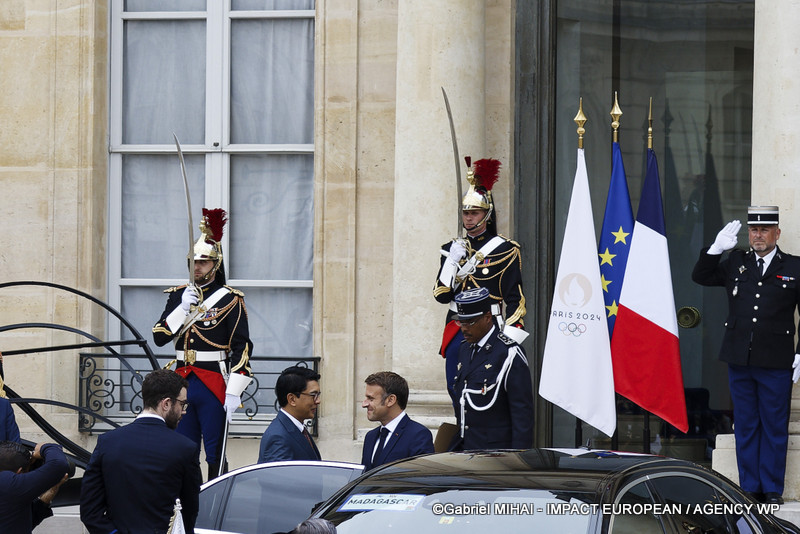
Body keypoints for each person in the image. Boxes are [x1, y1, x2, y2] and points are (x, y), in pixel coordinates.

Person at [692, 206, 800, 505]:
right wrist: (714, 249)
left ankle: (772, 489)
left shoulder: (794, 267)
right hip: (740, 358)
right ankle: (750, 486)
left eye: (764, 230)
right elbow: (700, 276)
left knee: (775, 426)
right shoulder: (735, 262)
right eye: (754, 230)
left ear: (777, 233)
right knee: (747, 424)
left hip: (777, 360)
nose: (758, 235)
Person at [153, 208, 253, 479]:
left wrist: (234, 390)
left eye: (203, 262)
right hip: (180, 382)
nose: (196, 267)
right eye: (193, 261)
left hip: (213, 383)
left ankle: (214, 504)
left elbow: (241, 346)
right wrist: (183, 308)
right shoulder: (178, 296)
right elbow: (160, 336)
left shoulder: (230, 299)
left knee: (214, 452)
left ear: (215, 265)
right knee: (182, 450)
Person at [433, 157, 527, 406]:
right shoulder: (450, 249)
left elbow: (515, 299)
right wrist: (452, 262)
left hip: (491, 326)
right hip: (457, 328)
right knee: (456, 386)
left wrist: (511, 336)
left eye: (474, 213)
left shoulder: (505, 250)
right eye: (465, 213)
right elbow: (441, 295)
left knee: (490, 389)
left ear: (487, 214)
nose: (468, 219)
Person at [80, 369, 203, 533]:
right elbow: (190, 510)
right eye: (182, 404)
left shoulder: (107, 443)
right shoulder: (186, 448)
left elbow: (90, 511)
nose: (184, 411)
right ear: (166, 404)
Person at [449, 287, 534, 451]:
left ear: (488, 317)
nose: (464, 328)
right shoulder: (465, 349)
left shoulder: (508, 352)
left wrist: (517, 458)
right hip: (465, 448)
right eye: (461, 322)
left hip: (495, 454)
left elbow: (522, 415)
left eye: (470, 322)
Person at [360, 371, 434, 470]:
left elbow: (421, 479)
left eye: (371, 399)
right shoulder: (371, 436)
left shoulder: (418, 435)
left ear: (391, 400)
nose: (364, 404)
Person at [0, 441, 69, 534]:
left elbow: (16, 524)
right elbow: (59, 464)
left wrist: (45, 498)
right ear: (19, 472)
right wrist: (45, 447)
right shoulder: (8, 483)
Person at [258, 366, 322, 463]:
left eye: (318, 395)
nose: (318, 401)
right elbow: (279, 477)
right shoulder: (278, 438)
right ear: (292, 399)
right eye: (313, 395)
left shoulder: (297, 429)